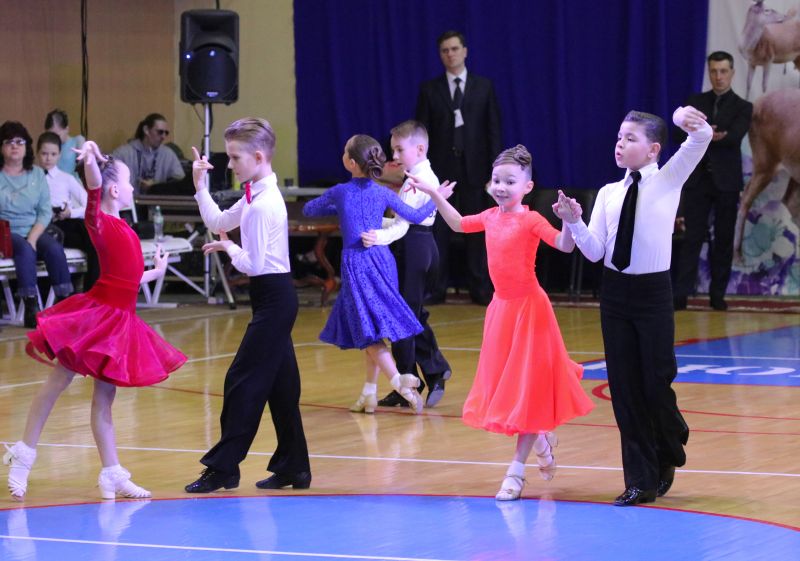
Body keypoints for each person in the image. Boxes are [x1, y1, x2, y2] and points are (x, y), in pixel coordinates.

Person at [3, 140, 186, 501]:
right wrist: (89, 157)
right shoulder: (99, 221)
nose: (132, 188)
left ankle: (111, 473)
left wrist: (156, 272)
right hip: (96, 319)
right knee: (58, 381)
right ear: (115, 190)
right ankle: (23, 454)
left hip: (121, 324)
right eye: (128, 182)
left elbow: (127, 279)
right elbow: (93, 187)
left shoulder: (125, 227)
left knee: (105, 398)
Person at [409, 145, 594, 501]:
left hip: (531, 313)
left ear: (527, 187)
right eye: (496, 180)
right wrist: (433, 194)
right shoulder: (490, 217)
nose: (501, 187)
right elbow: (458, 223)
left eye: (510, 181)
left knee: (528, 390)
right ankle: (541, 441)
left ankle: (516, 473)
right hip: (501, 312)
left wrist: (571, 221)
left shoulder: (531, 220)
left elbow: (565, 246)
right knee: (510, 391)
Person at [555, 106, 712, 506]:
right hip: (615, 295)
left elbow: (702, 137)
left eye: (630, 138)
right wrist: (574, 221)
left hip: (654, 294)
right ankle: (641, 480)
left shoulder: (669, 179)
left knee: (656, 382)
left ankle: (669, 442)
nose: (620, 144)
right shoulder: (608, 193)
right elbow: (595, 252)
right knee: (625, 390)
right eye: (619, 137)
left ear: (654, 149)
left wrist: (680, 115)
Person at [184, 118, 311, 493]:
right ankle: (294, 467)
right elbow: (219, 220)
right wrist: (200, 186)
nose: (229, 164)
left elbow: (252, 264)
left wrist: (229, 247)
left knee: (242, 381)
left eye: (235, 157)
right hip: (274, 298)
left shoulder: (262, 205)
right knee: (282, 388)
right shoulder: (256, 194)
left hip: (274, 300)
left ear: (258, 157)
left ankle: (223, 468)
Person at [303, 134, 454, 415]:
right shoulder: (382, 193)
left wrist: (340, 206)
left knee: (365, 330)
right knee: (370, 326)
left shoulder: (341, 191)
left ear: (351, 163)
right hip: (384, 260)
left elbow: (309, 209)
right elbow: (416, 216)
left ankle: (399, 382)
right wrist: (437, 197)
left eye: (345, 151)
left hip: (357, 263)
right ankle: (369, 393)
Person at [361, 121, 452, 409]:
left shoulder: (418, 182)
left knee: (401, 319)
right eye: (393, 150)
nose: (395, 156)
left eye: (400, 149)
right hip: (418, 245)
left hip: (414, 247)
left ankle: (411, 380)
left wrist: (375, 234)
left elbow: (404, 224)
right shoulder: (417, 177)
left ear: (420, 149)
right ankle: (431, 371)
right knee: (411, 315)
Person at [416, 30, 502, 305]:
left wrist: (495, 172)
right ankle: (436, 288)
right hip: (442, 174)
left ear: (465, 51)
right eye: (445, 50)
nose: (450, 54)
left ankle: (480, 288)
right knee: (439, 232)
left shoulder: (484, 87)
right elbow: (422, 134)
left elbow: (493, 130)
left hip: (476, 172)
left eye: (454, 49)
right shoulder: (430, 90)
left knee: (477, 231)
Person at [673, 51, 753, 311]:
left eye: (723, 71)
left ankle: (717, 295)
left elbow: (734, 137)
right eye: (714, 71)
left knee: (724, 239)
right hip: (698, 181)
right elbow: (679, 134)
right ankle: (680, 294)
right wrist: (711, 134)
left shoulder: (743, 106)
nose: (718, 76)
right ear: (709, 72)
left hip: (727, 183)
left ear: (732, 73)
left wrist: (706, 134)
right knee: (691, 238)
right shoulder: (695, 102)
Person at [0, 121, 73, 328]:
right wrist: (28, 242)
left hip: (35, 228)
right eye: (9, 142)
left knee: (54, 249)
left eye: (20, 142)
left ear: (27, 146)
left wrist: (33, 237)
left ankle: (65, 302)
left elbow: (45, 211)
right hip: (5, 231)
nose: (15, 146)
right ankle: (31, 306)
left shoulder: (37, 174)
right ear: (1, 147)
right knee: (24, 249)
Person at [37, 132, 100, 291]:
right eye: (44, 153)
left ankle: (92, 290)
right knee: (84, 240)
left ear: (59, 155)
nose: (48, 158)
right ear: (38, 154)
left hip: (68, 220)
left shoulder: (66, 178)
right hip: (46, 225)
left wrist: (70, 212)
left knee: (94, 239)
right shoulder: (33, 178)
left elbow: (90, 205)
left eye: (53, 154)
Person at [112, 113, 185, 194]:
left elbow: (180, 183)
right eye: (160, 132)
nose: (163, 136)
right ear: (146, 130)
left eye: (166, 133)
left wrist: (157, 186)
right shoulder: (124, 153)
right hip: (129, 200)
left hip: (158, 200)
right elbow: (108, 176)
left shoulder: (168, 154)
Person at [44, 109, 86, 178]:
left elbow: (84, 165)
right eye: (50, 136)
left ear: (67, 129)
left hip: (73, 183)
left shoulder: (77, 141)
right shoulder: (48, 147)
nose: (53, 140)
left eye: (57, 136)